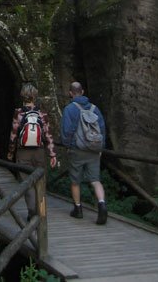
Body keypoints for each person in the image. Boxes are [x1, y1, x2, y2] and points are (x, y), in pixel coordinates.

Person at [7, 83, 57, 220]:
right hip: (39, 152)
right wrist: (52, 154)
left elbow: (13, 134)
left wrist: (11, 152)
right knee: (40, 182)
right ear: (35, 96)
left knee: (27, 183)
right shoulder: (42, 114)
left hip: (23, 152)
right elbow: (48, 135)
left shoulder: (19, 113)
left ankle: (32, 213)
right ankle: (42, 211)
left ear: (22, 96)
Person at [60, 81, 108, 225]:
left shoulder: (69, 109)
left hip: (77, 150)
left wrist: (68, 146)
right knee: (95, 180)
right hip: (94, 150)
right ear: (83, 92)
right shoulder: (95, 109)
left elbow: (66, 131)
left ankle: (78, 209)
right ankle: (102, 204)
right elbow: (102, 129)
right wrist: (100, 148)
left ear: (70, 93)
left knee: (75, 181)